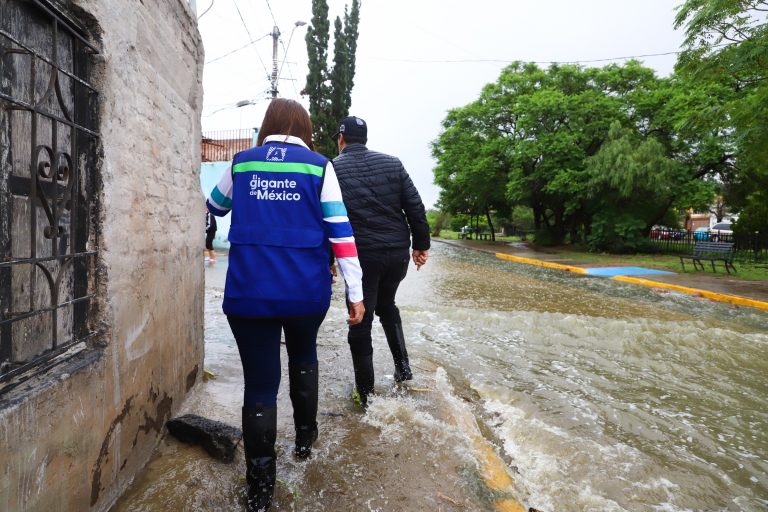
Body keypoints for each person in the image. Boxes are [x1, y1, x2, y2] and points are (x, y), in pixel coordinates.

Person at [206, 99, 365, 511]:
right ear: (305, 129)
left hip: (248, 294)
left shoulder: (242, 163)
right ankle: (304, 442)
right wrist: (356, 290)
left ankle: (259, 493)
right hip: (304, 295)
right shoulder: (318, 166)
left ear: (267, 125)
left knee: (260, 385)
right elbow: (340, 230)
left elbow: (215, 205)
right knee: (304, 356)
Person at [332, 116, 430, 407]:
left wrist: (328, 260)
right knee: (387, 305)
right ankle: (404, 369)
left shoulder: (333, 168)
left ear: (341, 139)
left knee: (359, 319)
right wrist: (420, 246)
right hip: (396, 254)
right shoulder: (393, 163)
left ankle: (365, 395)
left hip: (360, 258)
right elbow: (415, 206)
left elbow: (328, 217)